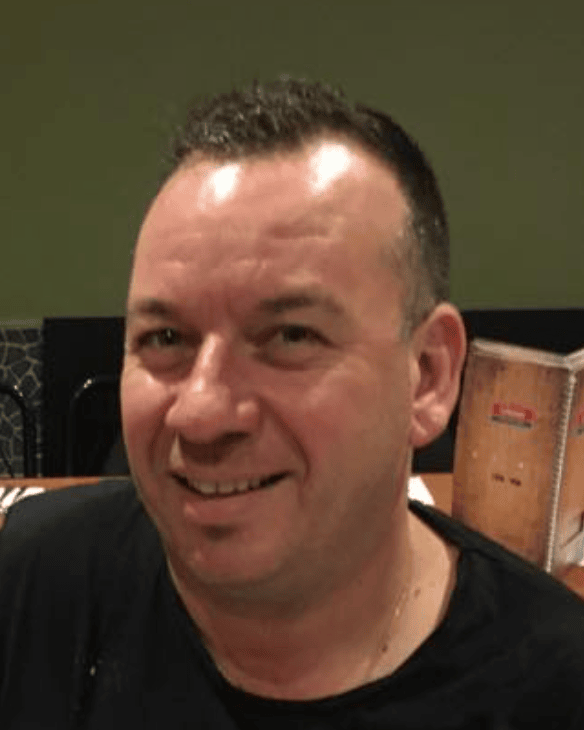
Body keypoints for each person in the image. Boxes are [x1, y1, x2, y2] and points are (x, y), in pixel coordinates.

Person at [1, 78, 583, 728]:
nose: (201, 413)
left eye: (291, 336)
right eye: (165, 338)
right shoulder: (35, 583)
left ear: (427, 375)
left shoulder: (554, 684)